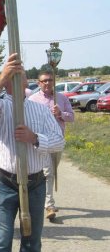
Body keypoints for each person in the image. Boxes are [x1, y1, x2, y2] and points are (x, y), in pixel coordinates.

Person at [0, 53, 65, 252]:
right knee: (2, 239)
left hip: (35, 184)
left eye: (20, 75)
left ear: (27, 81)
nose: (15, 78)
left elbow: (58, 142)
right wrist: (3, 73)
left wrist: (34, 138)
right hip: (4, 183)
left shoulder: (40, 109)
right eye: (10, 76)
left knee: (32, 240)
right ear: (5, 83)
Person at [29, 70, 74, 219]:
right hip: (40, 140)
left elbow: (71, 117)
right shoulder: (33, 99)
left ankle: (42, 199)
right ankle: (49, 205)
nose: (48, 83)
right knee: (46, 172)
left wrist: (61, 113)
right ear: (39, 83)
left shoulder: (61, 98)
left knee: (50, 172)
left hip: (57, 141)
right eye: (44, 81)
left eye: (50, 80)